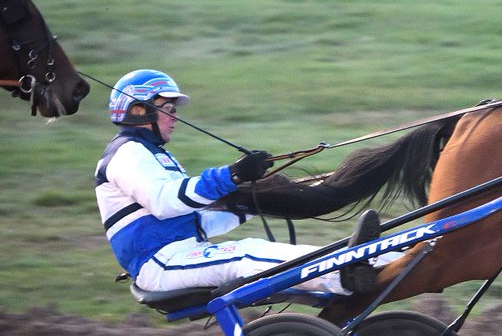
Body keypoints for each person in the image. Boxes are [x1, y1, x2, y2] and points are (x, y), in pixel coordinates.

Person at [95, 69, 378, 297]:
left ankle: (380, 262)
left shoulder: (155, 155)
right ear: (139, 111)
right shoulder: (127, 152)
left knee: (259, 251)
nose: (174, 117)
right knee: (247, 254)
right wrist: (233, 175)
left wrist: (253, 202)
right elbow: (164, 202)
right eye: (167, 107)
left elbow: (197, 221)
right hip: (159, 264)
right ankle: (346, 272)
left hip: (179, 253)